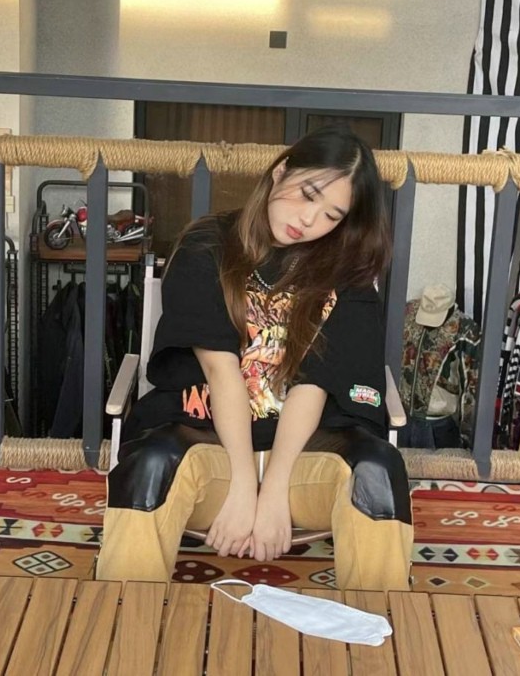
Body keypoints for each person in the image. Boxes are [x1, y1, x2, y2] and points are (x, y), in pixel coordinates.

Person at [96, 125, 412, 590]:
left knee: (378, 468)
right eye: (307, 194)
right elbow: (220, 370)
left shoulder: (347, 274)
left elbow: (312, 386)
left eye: (331, 214)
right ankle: (122, 618)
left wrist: (274, 492)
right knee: (150, 464)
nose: (309, 219)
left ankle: (378, 623)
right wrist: (245, 487)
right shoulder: (207, 246)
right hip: (211, 451)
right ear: (281, 170)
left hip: (306, 460)